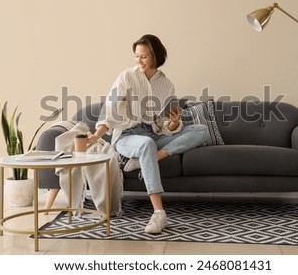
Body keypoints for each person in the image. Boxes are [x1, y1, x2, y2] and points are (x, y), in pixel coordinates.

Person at [86, 34, 209, 234]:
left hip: (153, 135)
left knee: (201, 130)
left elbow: (163, 126)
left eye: (143, 56)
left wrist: (174, 122)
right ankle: (159, 213)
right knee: (145, 145)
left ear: (155, 56)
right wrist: (96, 135)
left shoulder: (167, 85)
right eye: (136, 56)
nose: (139, 60)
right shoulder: (126, 77)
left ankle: (150, 158)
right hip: (128, 136)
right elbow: (110, 108)